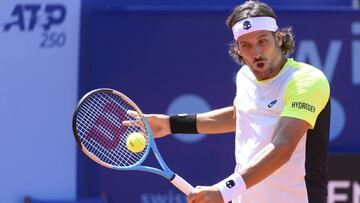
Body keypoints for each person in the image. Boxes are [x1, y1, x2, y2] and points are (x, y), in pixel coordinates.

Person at [137, 1, 331, 202]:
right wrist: (170, 124)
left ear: (279, 39)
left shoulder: (305, 80)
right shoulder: (245, 76)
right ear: (237, 49)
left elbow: (283, 147)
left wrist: (225, 190)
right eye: (245, 45)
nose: (256, 52)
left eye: (262, 41)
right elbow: (241, 116)